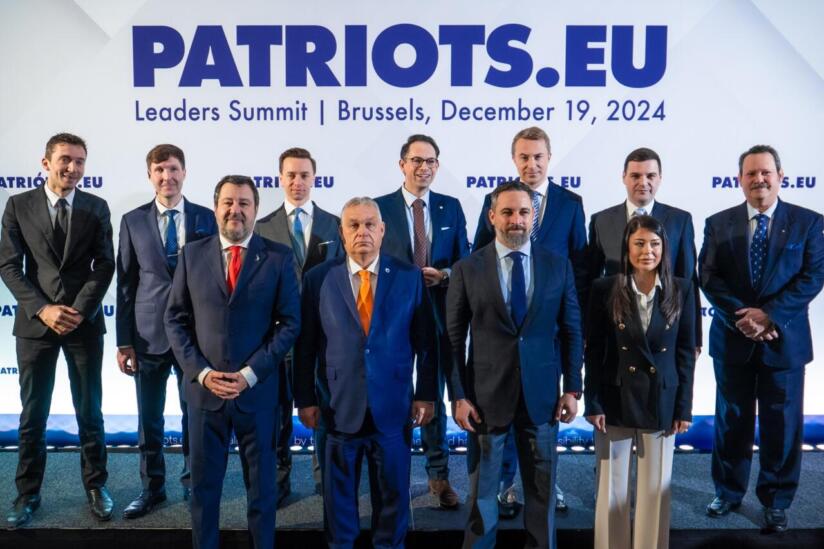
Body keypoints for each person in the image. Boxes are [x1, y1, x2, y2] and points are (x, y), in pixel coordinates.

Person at [165, 175, 300, 549]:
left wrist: (250, 374)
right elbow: (174, 319)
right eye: (228, 202)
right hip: (204, 395)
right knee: (203, 492)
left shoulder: (278, 257)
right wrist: (202, 373)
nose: (235, 210)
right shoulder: (192, 254)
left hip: (257, 395)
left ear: (255, 209)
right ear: (215, 207)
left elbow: (290, 323)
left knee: (262, 492)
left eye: (244, 203)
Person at [446, 181, 583, 548]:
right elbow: (454, 340)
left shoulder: (558, 266)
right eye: (507, 212)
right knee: (482, 499)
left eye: (523, 212)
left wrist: (572, 388)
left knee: (541, 497)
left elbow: (572, 330)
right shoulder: (466, 268)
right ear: (492, 216)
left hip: (543, 400)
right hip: (485, 401)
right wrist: (458, 395)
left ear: (533, 215)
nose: (516, 220)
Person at [295, 197, 436, 548]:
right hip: (336, 409)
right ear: (342, 232)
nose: (363, 232)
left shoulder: (409, 277)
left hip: (393, 410)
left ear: (383, 230)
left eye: (370, 224)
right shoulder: (317, 279)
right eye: (354, 225)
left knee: (392, 506)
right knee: (339, 510)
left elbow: (426, 343)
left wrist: (426, 394)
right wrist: (305, 399)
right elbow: (305, 345)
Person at [699, 145, 824, 533]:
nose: (759, 179)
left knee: (782, 425)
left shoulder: (808, 223)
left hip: (784, 342)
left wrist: (769, 315)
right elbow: (708, 277)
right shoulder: (718, 223)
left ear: (780, 176)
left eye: (766, 172)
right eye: (751, 173)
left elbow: (813, 276)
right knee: (731, 421)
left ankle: (777, 500)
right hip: (733, 338)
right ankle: (728, 492)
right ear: (739, 179)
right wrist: (744, 318)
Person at [0, 133, 115, 527]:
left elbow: (105, 264)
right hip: (36, 325)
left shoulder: (97, 207)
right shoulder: (18, 205)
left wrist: (79, 310)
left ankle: (96, 486)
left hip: (83, 324)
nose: (73, 168)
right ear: (45, 163)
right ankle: (27, 493)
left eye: (80, 161)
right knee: (33, 414)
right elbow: (9, 265)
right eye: (65, 159)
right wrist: (43, 309)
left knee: (90, 411)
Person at [472, 127, 586, 517]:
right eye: (524, 156)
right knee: (503, 407)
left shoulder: (570, 204)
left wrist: (575, 327)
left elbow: (580, 267)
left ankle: (545, 485)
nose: (531, 163)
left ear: (549, 158)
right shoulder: (496, 201)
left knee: (542, 415)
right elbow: (479, 257)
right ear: (514, 159)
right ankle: (504, 484)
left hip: (546, 330)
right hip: (503, 332)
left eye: (538, 156)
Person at [116, 144, 217, 518]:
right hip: (147, 337)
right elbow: (125, 283)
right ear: (150, 175)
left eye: (173, 169)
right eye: (159, 170)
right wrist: (124, 341)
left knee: (195, 416)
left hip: (195, 336)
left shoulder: (207, 217)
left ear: (184, 173)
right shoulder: (132, 221)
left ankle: (194, 485)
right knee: (149, 419)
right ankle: (152, 489)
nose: (167, 176)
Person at [585, 215, 696, 549]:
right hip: (614, 399)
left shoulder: (683, 289)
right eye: (639, 243)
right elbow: (594, 351)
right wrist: (593, 402)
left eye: (655, 244)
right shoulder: (604, 288)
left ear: (665, 248)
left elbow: (685, 354)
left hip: (662, 400)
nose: (647, 251)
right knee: (611, 490)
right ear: (626, 248)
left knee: (654, 492)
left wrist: (684, 408)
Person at [375, 134, 470, 509]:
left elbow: (466, 261)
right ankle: (393, 475)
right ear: (402, 165)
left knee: (433, 396)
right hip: (393, 314)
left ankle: (439, 475)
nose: (424, 167)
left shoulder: (451, 207)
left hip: (441, 311)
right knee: (395, 394)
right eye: (416, 160)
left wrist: (444, 275)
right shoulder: (380, 207)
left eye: (430, 161)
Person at [255, 147, 343, 505]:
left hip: (323, 339)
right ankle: (279, 480)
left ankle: (325, 480)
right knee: (277, 416)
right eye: (291, 175)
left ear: (314, 178)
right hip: (277, 339)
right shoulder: (262, 227)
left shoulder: (335, 224)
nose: (297, 182)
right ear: (280, 178)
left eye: (304, 175)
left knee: (323, 412)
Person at [586, 147, 702, 348]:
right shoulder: (601, 220)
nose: (643, 182)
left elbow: (688, 280)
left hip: (664, 330)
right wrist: (587, 332)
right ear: (624, 177)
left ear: (660, 178)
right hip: (615, 330)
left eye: (650, 176)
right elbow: (591, 281)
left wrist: (695, 339)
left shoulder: (680, 220)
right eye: (635, 176)